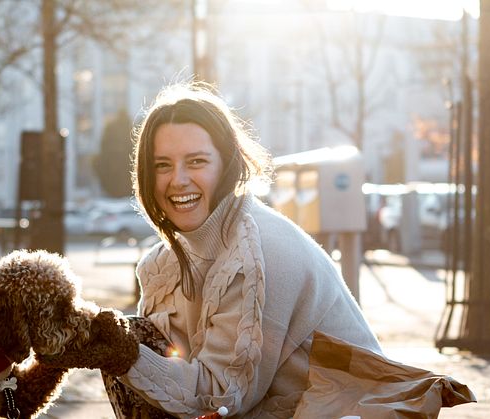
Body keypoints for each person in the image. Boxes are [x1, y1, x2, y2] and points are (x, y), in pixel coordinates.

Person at [59, 82, 382, 418]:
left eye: (197, 161)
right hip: (273, 408)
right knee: (132, 338)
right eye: (162, 165)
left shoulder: (258, 254)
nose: (178, 180)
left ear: (227, 164)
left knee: (127, 346)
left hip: (348, 412)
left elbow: (220, 397)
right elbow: (168, 362)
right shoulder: (162, 263)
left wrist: (121, 354)